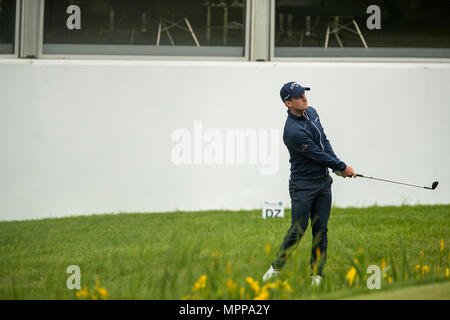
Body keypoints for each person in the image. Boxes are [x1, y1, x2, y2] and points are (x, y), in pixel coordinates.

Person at [262, 81, 356, 286]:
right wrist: (341, 166)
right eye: (299, 96)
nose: (304, 98)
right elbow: (315, 153)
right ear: (288, 103)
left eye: (304, 93)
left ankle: (317, 276)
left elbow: (324, 141)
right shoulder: (292, 131)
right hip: (302, 185)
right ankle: (275, 269)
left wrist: (337, 167)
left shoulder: (312, 112)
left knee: (321, 229)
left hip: (323, 183)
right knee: (298, 229)